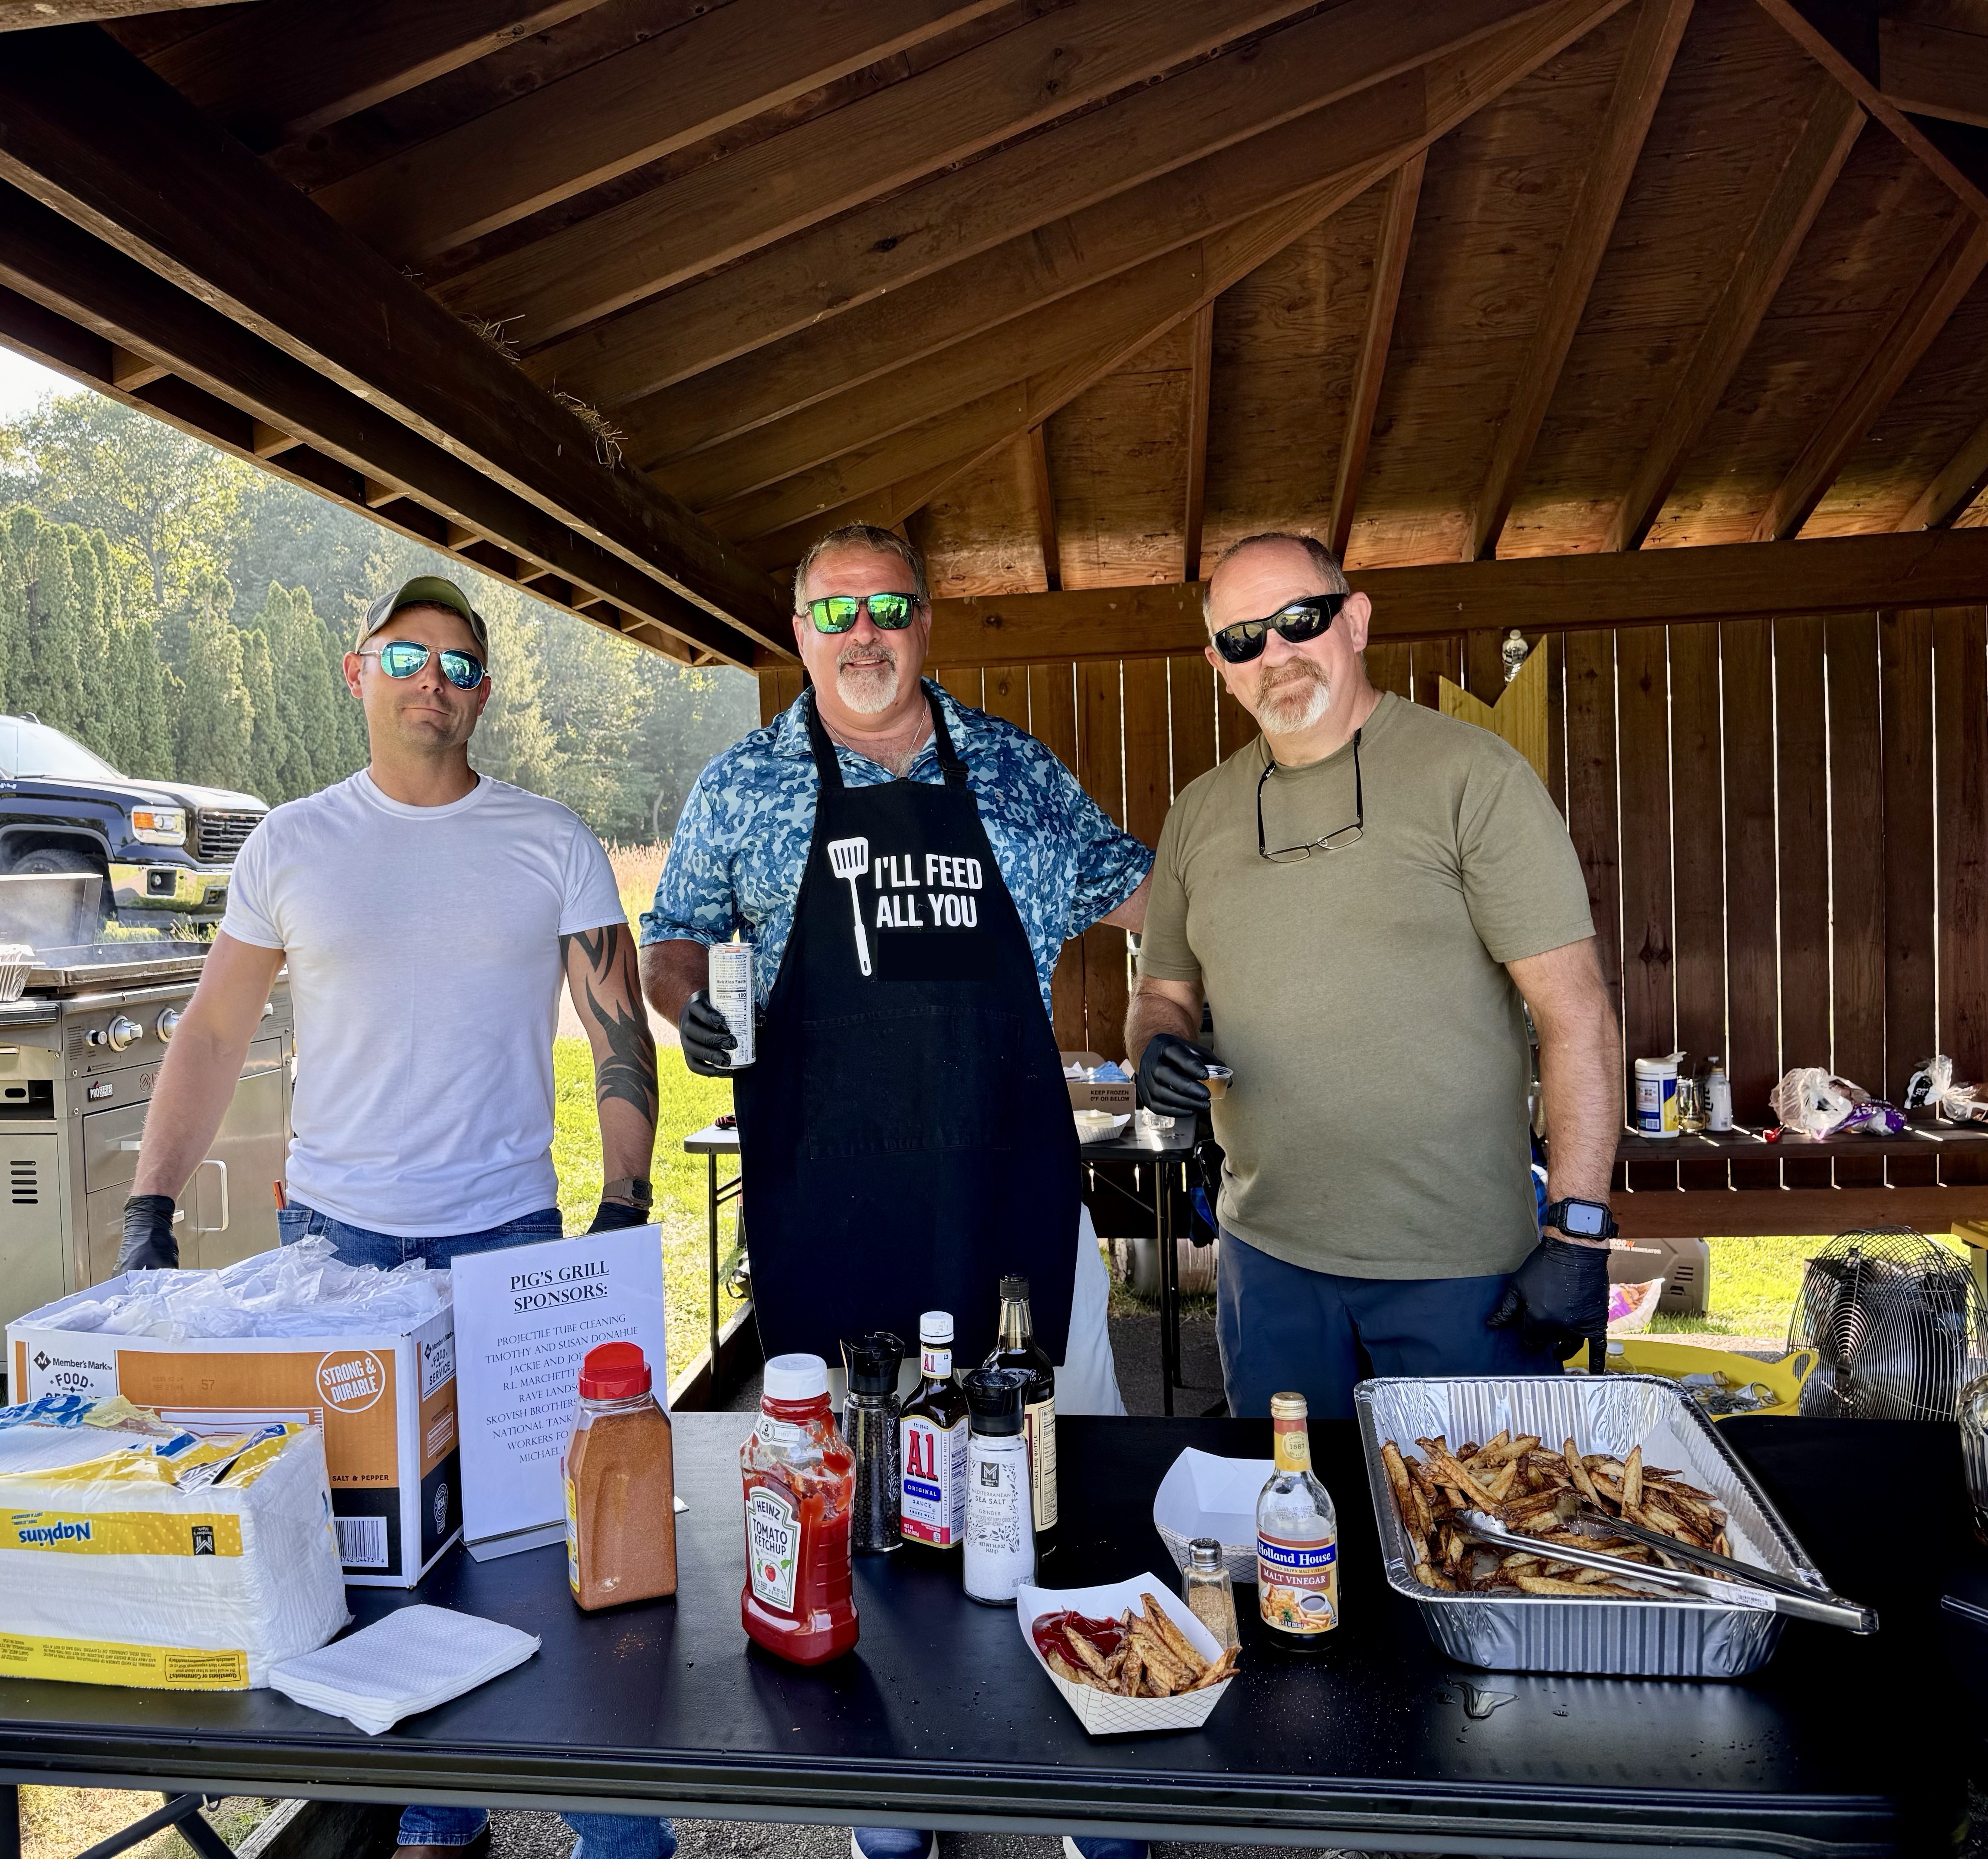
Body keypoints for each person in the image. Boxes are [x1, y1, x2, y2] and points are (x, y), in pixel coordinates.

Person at [116, 574, 667, 1859]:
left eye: (462, 665)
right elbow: (213, 1031)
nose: (435, 681)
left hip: (510, 1244)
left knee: (549, 1543)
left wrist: (625, 1195)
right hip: (337, 1253)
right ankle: (437, 1814)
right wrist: (149, 1202)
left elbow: (617, 1034)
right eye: (409, 656)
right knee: (375, 1559)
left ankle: (621, 1835)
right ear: (358, 671)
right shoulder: (290, 844)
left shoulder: (550, 839)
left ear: (485, 695)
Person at [641, 524, 1153, 1859]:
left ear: (925, 620)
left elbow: (1157, 894)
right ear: (797, 629)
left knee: (1069, 1479)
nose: (861, 633)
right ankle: (893, 1785)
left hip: (1010, 1192)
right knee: (861, 1498)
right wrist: (690, 1005)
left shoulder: (1015, 770)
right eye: (834, 611)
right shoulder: (743, 784)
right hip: (836, 1199)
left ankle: (1099, 1771)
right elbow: (673, 940)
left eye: (887, 606)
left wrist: (1185, 990)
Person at [1126, 532, 1624, 1420]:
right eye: (1244, 637)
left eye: (1300, 620)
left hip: (1459, 1271)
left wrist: (1577, 1232)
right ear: (1219, 666)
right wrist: (1157, 1046)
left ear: (1354, 621)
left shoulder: (1472, 777)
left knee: (1468, 1507)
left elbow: (1576, 1014)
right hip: (1266, 1261)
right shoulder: (1199, 814)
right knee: (1288, 1504)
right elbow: (1162, 996)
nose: (1275, 652)